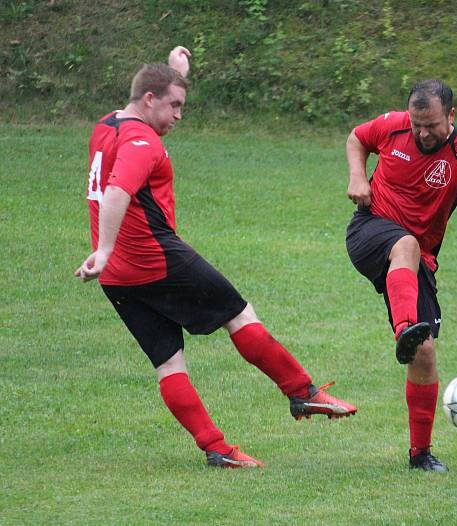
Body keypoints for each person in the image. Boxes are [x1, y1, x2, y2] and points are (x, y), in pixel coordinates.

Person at [75, 46, 356, 469]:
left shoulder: (108, 125)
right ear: (150, 100)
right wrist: (106, 248)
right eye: (175, 105)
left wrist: (174, 74)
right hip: (155, 258)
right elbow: (117, 191)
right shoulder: (141, 140)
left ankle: (217, 448)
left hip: (117, 277)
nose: (179, 115)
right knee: (240, 315)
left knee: (169, 362)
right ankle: (302, 392)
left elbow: (139, 108)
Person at [345, 79, 457, 472]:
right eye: (417, 123)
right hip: (370, 229)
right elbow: (357, 137)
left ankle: (419, 454)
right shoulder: (393, 126)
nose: (422, 132)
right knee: (405, 245)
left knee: (425, 352)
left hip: (419, 260)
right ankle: (406, 328)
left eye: (431, 124)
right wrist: (357, 177)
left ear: (451, 116)